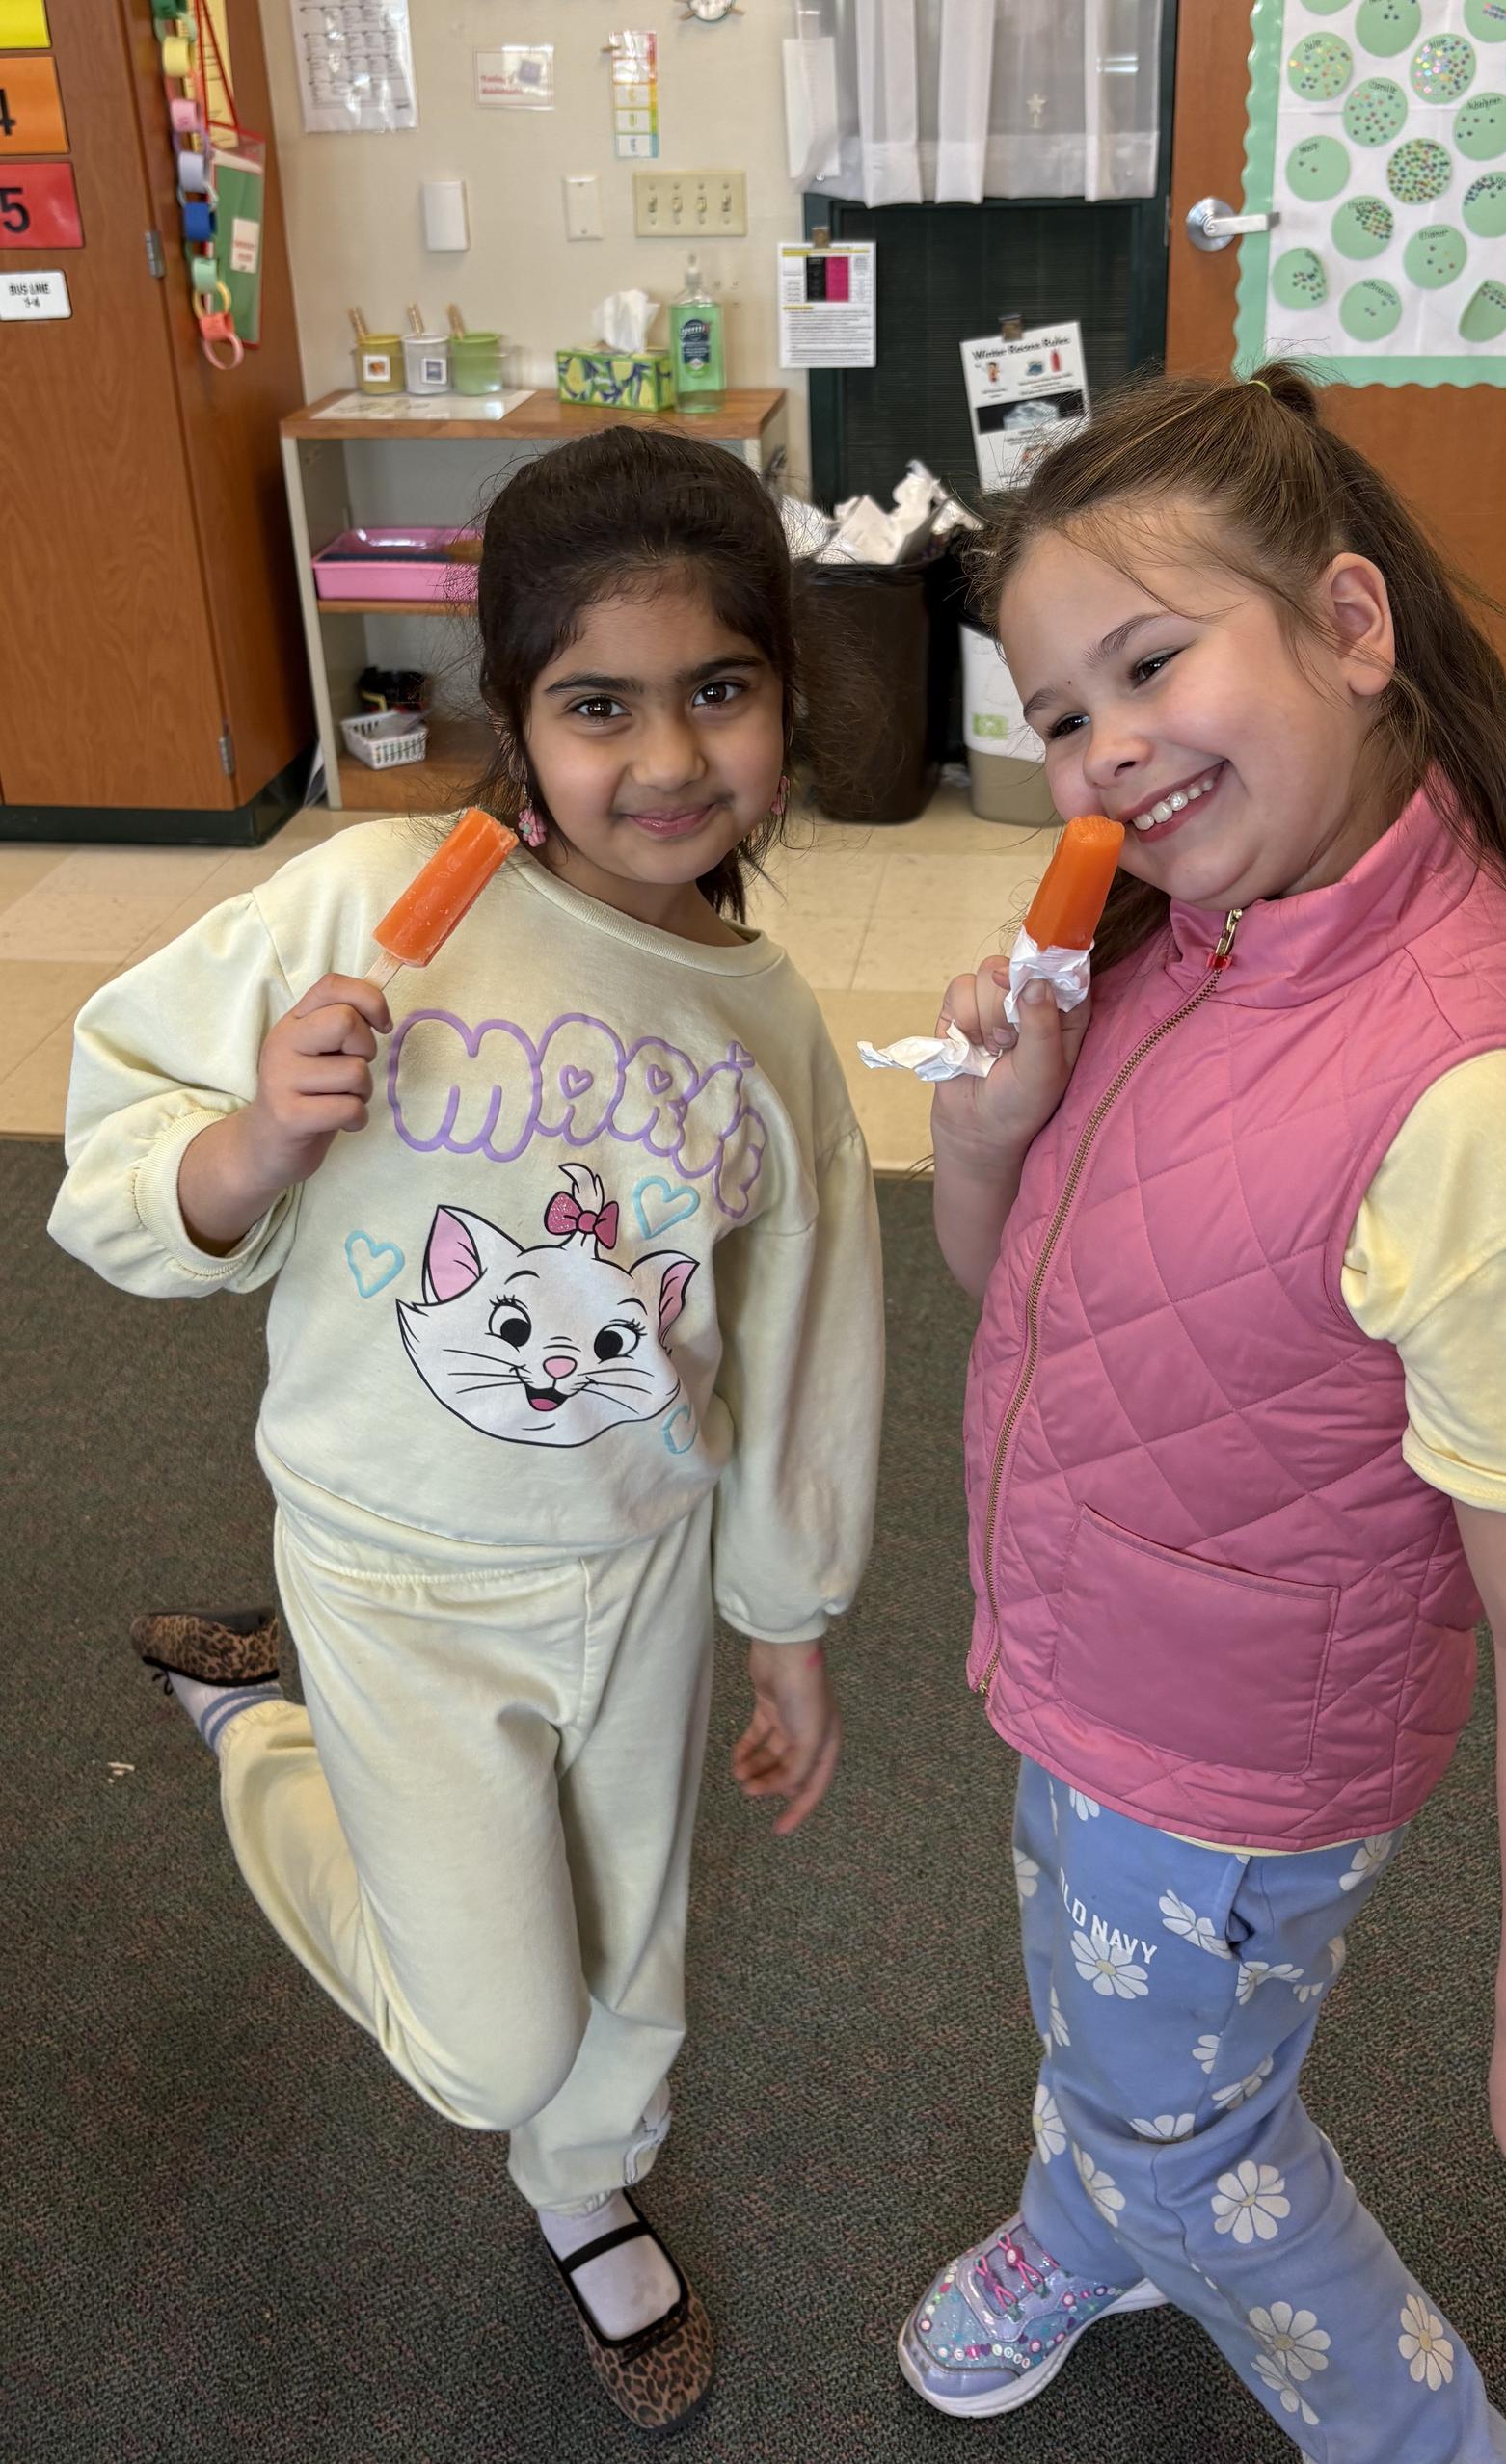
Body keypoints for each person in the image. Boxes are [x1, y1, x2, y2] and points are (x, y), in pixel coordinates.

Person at [897, 368, 1506, 2461]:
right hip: (1108, 1670)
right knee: (1120, 2034)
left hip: (1229, 1759)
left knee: (1198, 2127)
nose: (1108, 749)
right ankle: (1097, 2215)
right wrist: (992, 1126)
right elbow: (1025, 1291)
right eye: (1063, 710)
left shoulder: (1482, 1118)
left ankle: (1399, 2411)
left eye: (1154, 662)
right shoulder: (1205, 931)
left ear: (1354, 627)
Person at [51, 425, 882, 2433]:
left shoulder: (766, 1022)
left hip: (644, 1569)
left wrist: (789, 1612)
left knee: (636, 1954)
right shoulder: (356, 908)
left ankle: (587, 2192)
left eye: (719, 691)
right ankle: (263, 1733)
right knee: (491, 2037)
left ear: (784, 696)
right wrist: (251, 1137)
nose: (668, 759)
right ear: (513, 718)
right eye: (599, 705)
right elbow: (109, 1163)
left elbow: (804, 1338)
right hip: (394, 1573)